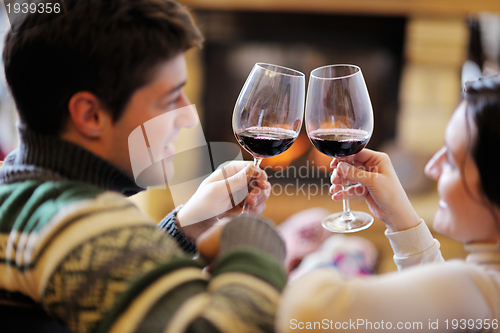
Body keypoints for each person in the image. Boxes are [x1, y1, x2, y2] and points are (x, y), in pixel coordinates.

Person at [0, 1, 286, 332]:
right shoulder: (81, 224)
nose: (188, 116)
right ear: (91, 115)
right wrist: (252, 244)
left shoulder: (22, 200)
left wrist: (185, 226)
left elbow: (99, 280)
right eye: (169, 99)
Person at [273, 74, 500, 332]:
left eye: (450, 160)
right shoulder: (482, 294)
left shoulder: (475, 290)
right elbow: (443, 310)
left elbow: (305, 314)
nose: (431, 167)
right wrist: (398, 215)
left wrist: (315, 264)